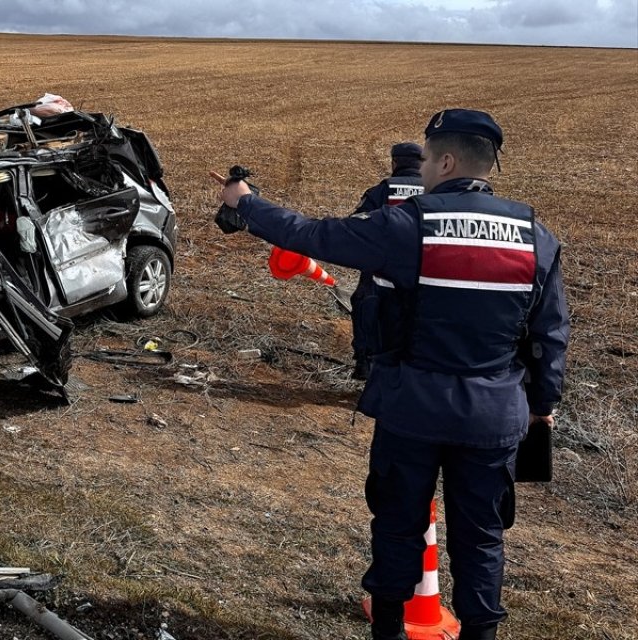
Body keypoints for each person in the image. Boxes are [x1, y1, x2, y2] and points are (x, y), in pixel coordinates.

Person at [213, 109, 568, 640]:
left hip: (412, 409)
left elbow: (311, 234)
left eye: (425, 158)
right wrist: (543, 404)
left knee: (398, 528)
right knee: (483, 538)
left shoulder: (406, 226)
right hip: (493, 416)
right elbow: (549, 333)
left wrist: (245, 202)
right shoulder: (535, 236)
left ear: (445, 160)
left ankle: (389, 632)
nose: (420, 169)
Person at [349, 142, 426, 379]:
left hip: (380, 270)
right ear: (422, 165)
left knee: (365, 305)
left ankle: (364, 363)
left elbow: (355, 227)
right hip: (424, 271)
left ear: (394, 163)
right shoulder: (436, 191)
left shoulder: (382, 191)